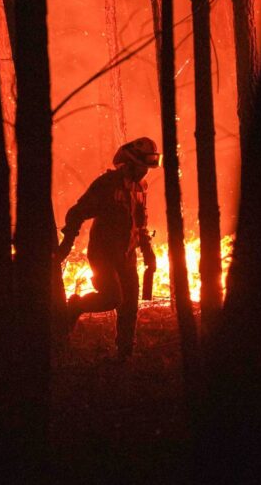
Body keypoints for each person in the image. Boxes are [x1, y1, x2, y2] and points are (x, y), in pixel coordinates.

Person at [56, 137, 159, 360]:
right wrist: (66, 244)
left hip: (127, 255)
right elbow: (77, 213)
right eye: (141, 166)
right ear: (129, 163)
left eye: (147, 168)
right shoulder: (107, 184)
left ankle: (125, 355)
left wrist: (148, 252)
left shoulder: (141, 188)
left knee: (130, 307)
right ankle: (76, 306)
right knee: (113, 298)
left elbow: (141, 224)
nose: (145, 172)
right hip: (103, 254)